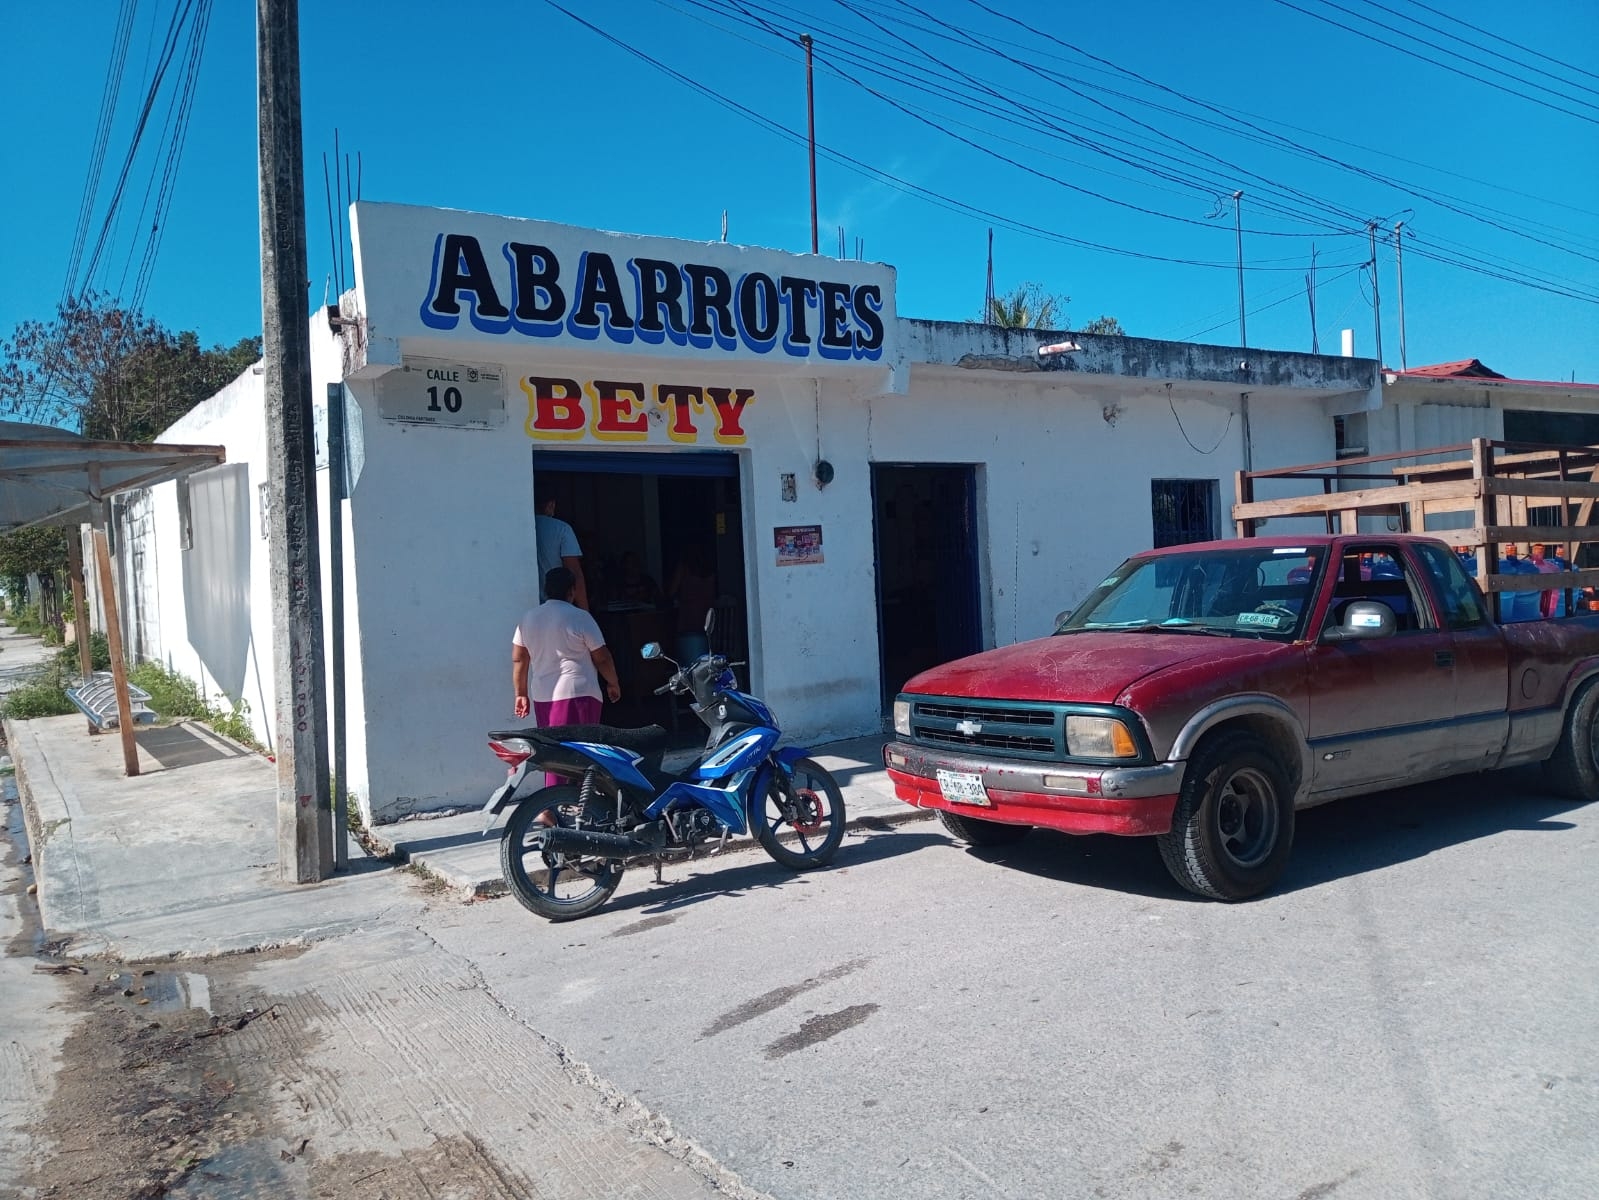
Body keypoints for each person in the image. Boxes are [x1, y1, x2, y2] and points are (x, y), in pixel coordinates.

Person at [513, 567, 621, 784]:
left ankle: (556, 805)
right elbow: (602, 657)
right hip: (578, 693)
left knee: (553, 751)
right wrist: (613, 682)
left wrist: (521, 693)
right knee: (582, 753)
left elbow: (519, 658)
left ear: (546, 590)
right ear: (572, 591)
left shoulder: (528, 618)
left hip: (543, 695)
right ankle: (552, 808)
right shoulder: (580, 617)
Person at [535, 481, 588, 609]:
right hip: (558, 608)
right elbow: (575, 572)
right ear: (551, 504)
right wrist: (585, 613)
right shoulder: (561, 529)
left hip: (531, 608)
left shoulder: (521, 530)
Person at [667, 544, 717, 662]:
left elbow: (671, 591)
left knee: (687, 660)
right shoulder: (710, 573)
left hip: (688, 620)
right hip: (708, 621)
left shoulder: (684, 569)